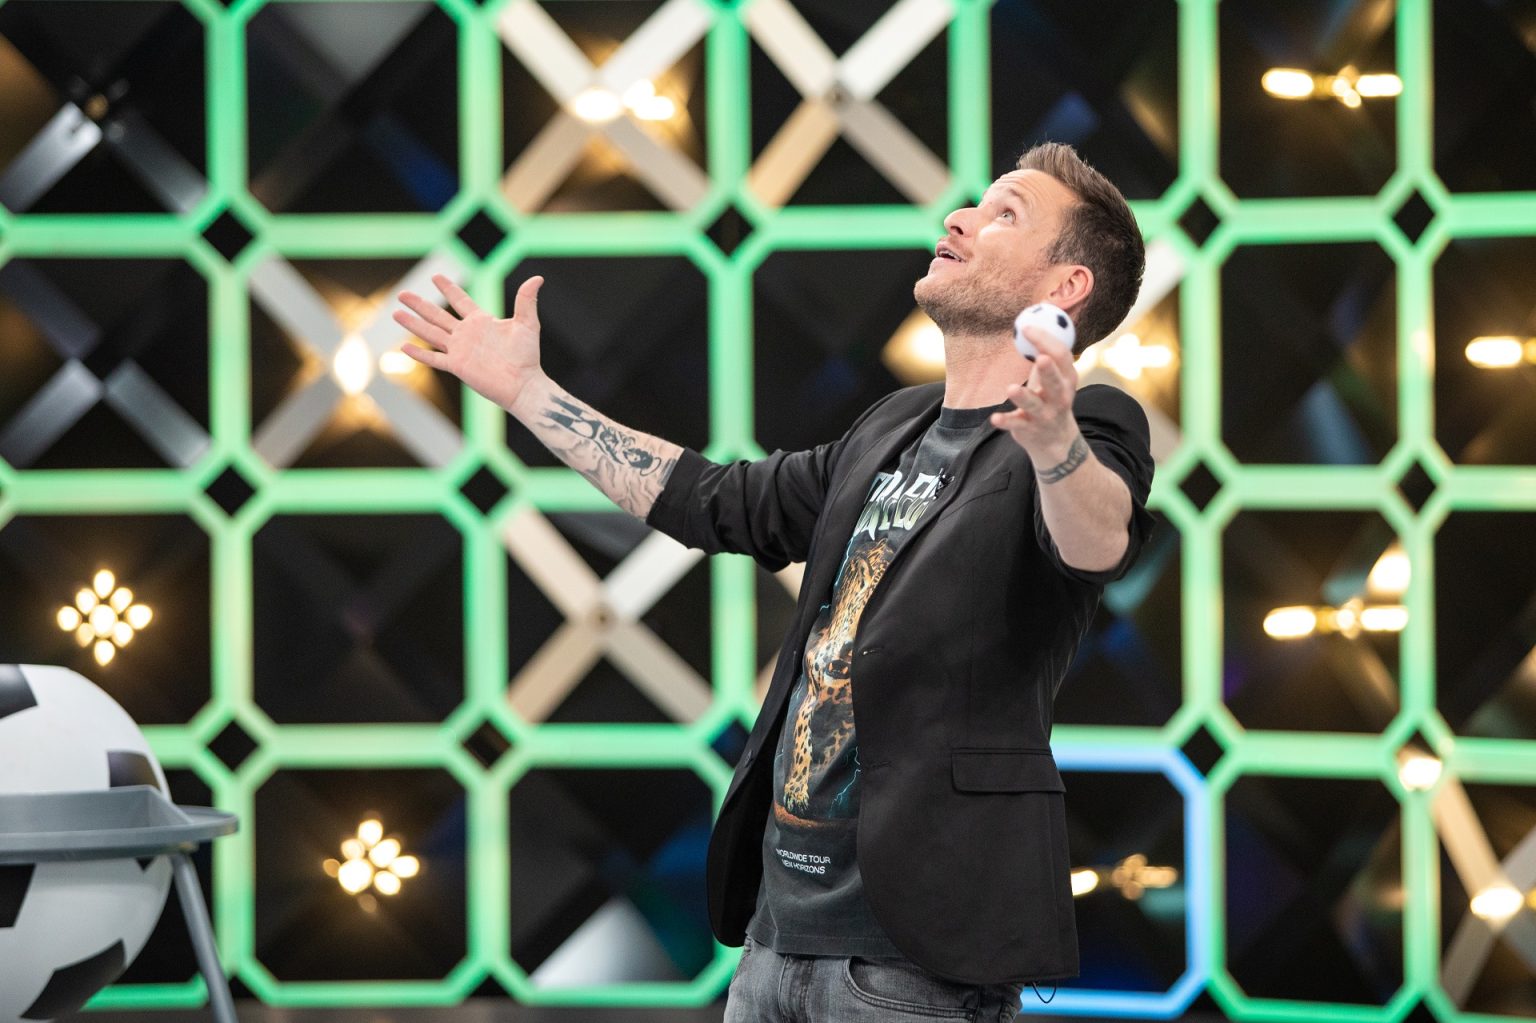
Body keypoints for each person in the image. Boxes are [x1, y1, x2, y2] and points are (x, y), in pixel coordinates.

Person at [394, 141, 1155, 1023]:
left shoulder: (1094, 424)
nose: (959, 217)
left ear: (1066, 286)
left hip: (911, 962)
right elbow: (710, 499)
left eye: (1004, 214)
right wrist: (528, 392)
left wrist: (1056, 442)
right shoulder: (893, 426)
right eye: (976, 205)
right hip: (774, 941)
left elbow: (1100, 541)